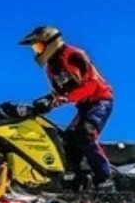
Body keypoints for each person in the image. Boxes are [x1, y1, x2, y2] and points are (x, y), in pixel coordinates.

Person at [17, 25, 116, 190]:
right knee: (67, 139)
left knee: (85, 134)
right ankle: (80, 178)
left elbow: (91, 84)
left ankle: (105, 178)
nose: (37, 51)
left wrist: (65, 98)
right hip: (84, 105)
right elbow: (58, 93)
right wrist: (45, 103)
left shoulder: (74, 55)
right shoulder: (51, 68)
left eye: (38, 46)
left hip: (100, 99)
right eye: (35, 48)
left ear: (51, 42)